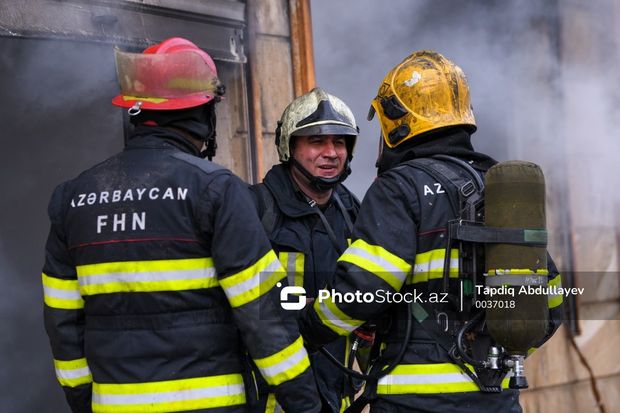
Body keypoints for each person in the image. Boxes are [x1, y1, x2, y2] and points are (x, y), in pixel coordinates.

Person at [41, 37, 320, 413]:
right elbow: (262, 312)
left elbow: (62, 320)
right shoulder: (216, 190)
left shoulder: (72, 198)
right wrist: (304, 404)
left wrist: (83, 400)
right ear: (202, 114)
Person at [299, 51, 563, 412]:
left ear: (397, 121)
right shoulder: (495, 187)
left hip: (415, 403)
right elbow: (551, 303)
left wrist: (309, 327)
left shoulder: (399, 187)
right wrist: (498, 354)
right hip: (496, 401)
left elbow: (365, 290)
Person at [250, 88, 362, 413]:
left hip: (335, 397)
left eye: (339, 142)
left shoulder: (354, 213)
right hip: (272, 400)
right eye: (316, 141)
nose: (331, 153)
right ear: (290, 147)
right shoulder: (255, 209)